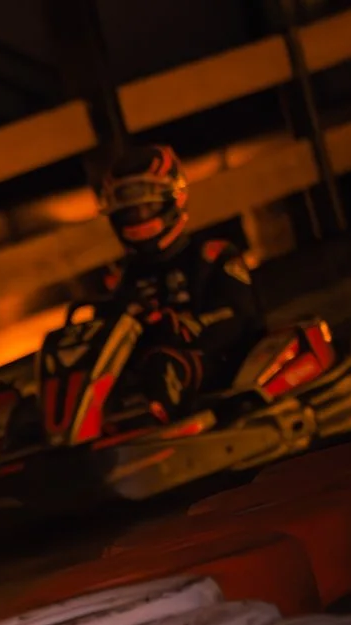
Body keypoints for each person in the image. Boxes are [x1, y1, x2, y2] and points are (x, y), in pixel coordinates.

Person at [94, 144, 267, 425]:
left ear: (172, 199)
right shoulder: (124, 278)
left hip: (219, 364)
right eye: (130, 211)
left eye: (147, 206)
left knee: (164, 364)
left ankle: (157, 427)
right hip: (148, 369)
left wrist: (182, 327)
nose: (139, 217)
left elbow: (241, 317)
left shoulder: (212, 255)